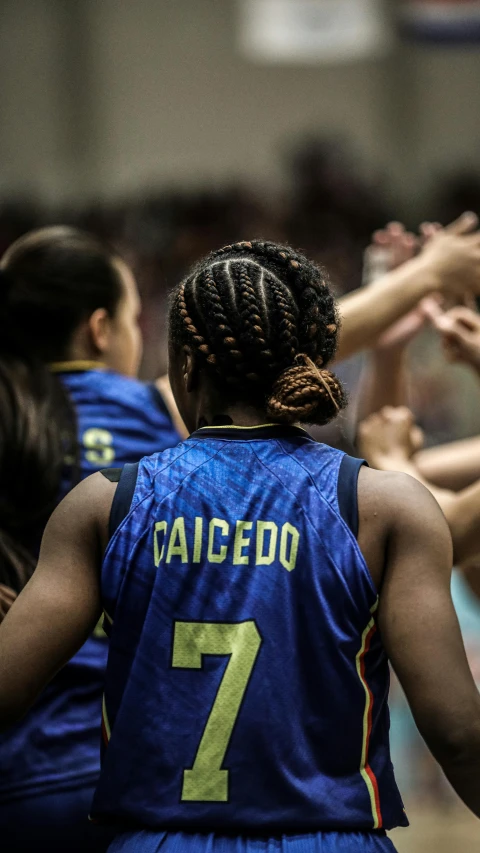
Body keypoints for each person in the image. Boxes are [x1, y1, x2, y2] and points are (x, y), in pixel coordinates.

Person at [1, 240, 480, 853]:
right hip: (329, 842)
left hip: (154, 842)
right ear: (306, 359)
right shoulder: (388, 504)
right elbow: (459, 736)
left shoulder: (103, 504)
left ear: (185, 368)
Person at [0, 227, 182, 853]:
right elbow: (259, 352)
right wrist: (425, 278)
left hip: (19, 778)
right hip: (140, 775)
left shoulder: (9, 416)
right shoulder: (153, 412)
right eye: (137, 319)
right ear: (100, 329)